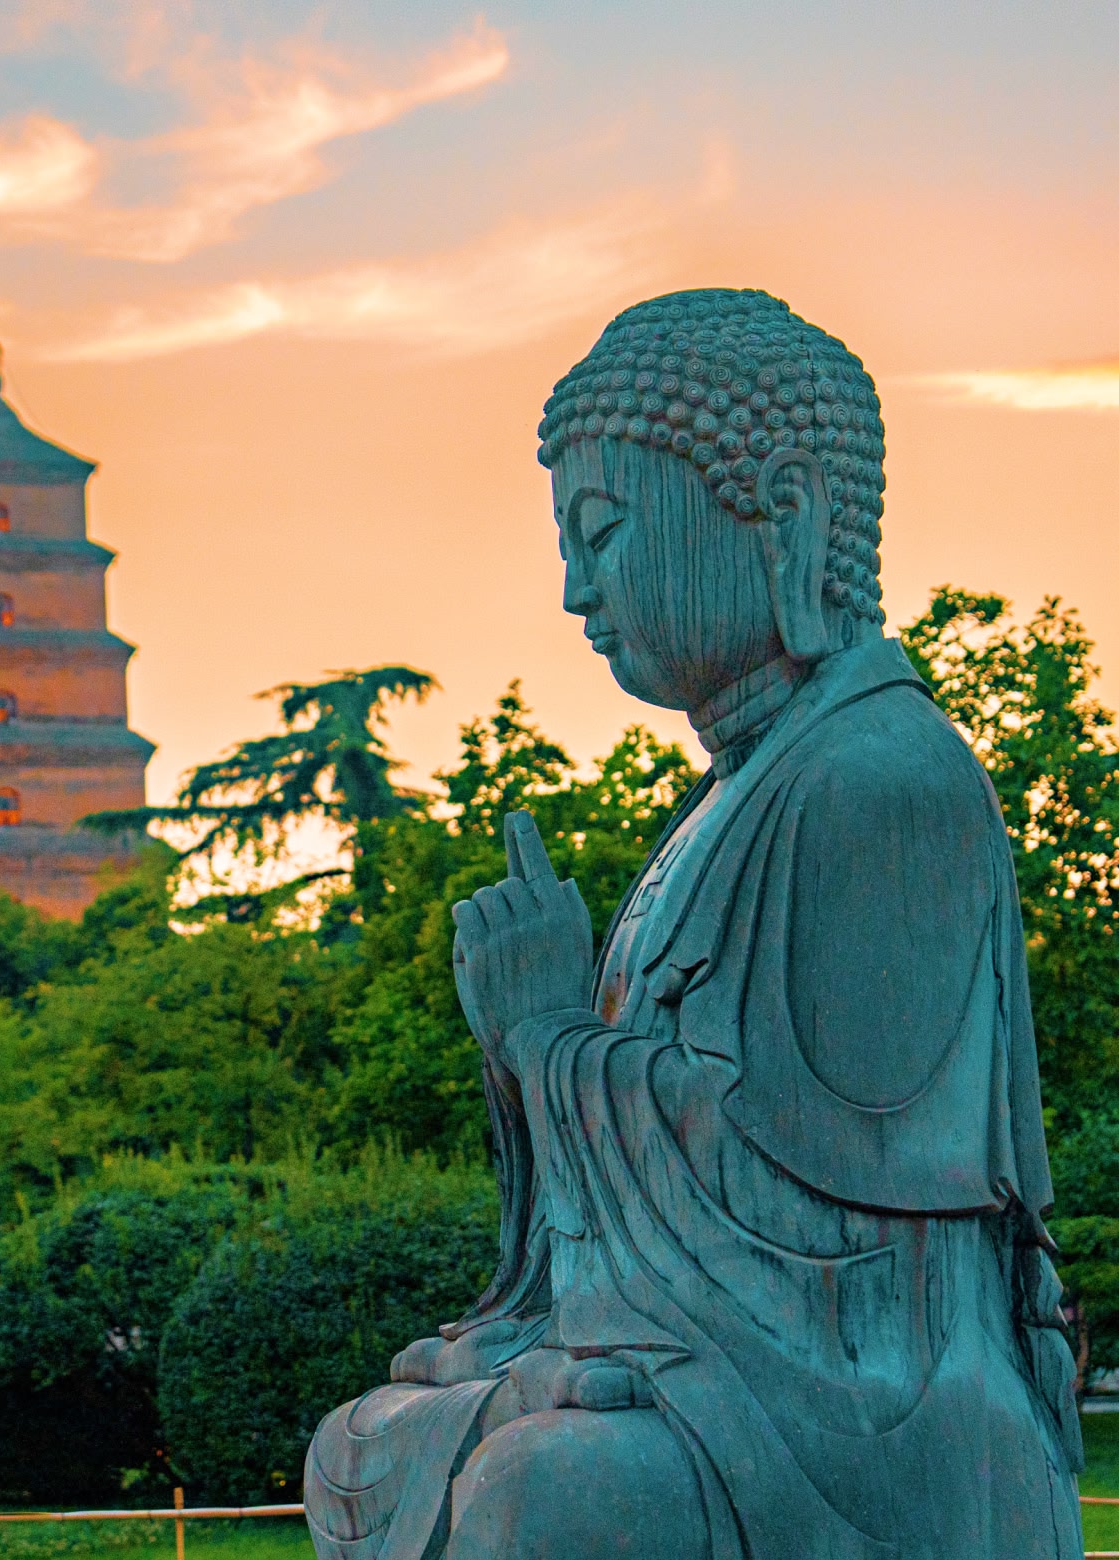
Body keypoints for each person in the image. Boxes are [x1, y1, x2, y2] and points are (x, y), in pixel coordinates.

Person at [303, 289, 1084, 1559]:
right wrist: (527, 1054)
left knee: (544, 1499)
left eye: (604, 533)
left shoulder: (885, 779)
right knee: (362, 1444)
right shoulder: (728, 799)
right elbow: (664, 1168)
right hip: (725, 1373)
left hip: (872, 1416)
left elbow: (823, 1207)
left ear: (781, 515)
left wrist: (549, 1031)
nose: (575, 591)